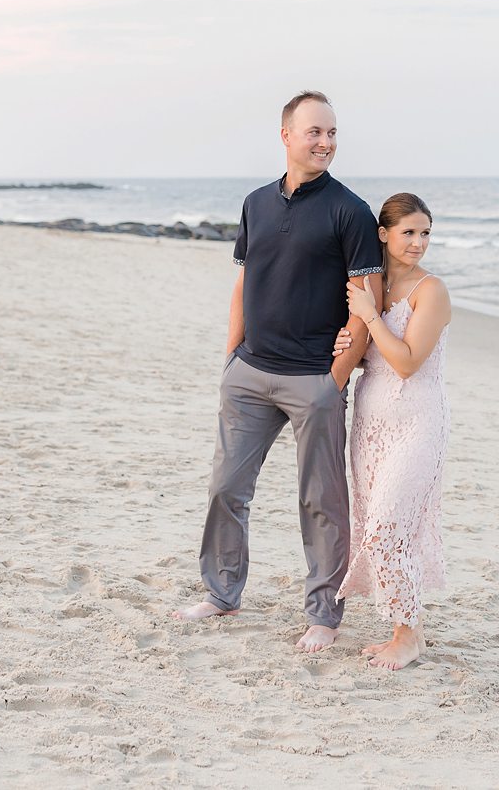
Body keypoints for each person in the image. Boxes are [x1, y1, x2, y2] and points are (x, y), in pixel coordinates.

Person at [172, 91, 384, 654]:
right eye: (315, 132)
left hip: (312, 379)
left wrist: (333, 379)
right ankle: (221, 594)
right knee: (226, 488)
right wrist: (230, 358)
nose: (326, 142)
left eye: (333, 133)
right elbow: (245, 281)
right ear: (286, 135)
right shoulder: (255, 203)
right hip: (249, 372)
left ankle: (323, 614)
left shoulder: (351, 211)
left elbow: (368, 300)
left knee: (321, 500)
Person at [337, 192, 451, 670]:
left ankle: (408, 634)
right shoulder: (372, 287)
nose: (418, 242)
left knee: (389, 527)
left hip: (418, 422)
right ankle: (408, 632)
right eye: (408, 232)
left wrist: (366, 316)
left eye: (425, 233)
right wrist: (350, 337)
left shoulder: (432, 291)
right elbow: (368, 354)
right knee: (376, 525)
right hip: (370, 422)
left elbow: (405, 361)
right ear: (383, 234)